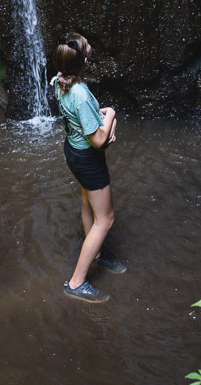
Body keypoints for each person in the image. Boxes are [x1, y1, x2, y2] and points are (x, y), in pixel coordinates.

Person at [51, 33, 126, 303]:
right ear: (83, 59)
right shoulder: (80, 93)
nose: (87, 42)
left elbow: (89, 120)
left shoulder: (60, 80)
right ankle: (76, 282)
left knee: (87, 204)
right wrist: (112, 115)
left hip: (73, 151)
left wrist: (104, 122)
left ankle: (95, 254)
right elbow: (97, 140)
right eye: (84, 44)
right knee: (106, 219)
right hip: (87, 159)